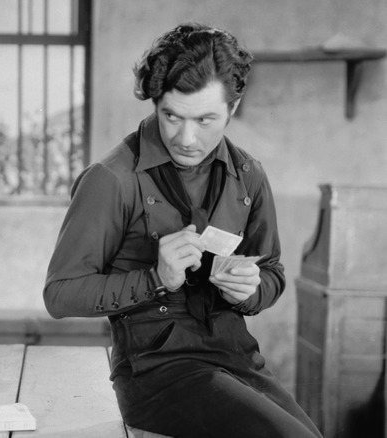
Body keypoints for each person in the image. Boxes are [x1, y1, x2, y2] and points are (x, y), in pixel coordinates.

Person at [44, 23, 322, 438]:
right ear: (155, 103)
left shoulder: (249, 176)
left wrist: (251, 288)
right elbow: (60, 294)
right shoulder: (111, 179)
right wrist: (156, 279)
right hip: (156, 371)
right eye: (171, 115)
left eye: (205, 119)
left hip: (236, 357)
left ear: (233, 107)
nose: (186, 138)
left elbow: (273, 272)